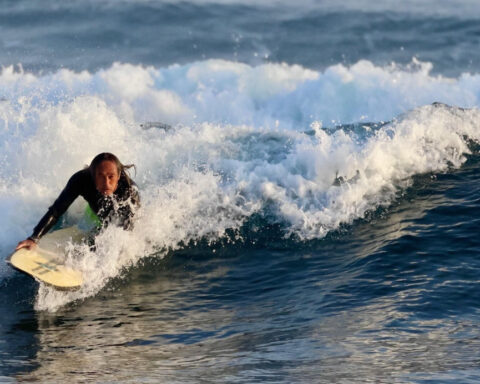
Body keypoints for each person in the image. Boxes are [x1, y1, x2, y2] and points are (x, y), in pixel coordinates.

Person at [15, 152, 140, 251]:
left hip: (118, 216)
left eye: (111, 177)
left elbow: (125, 231)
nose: (106, 183)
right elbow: (56, 211)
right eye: (100, 176)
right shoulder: (80, 180)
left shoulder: (129, 192)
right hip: (96, 210)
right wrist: (34, 238)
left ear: (118, 175)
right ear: (92, 175)